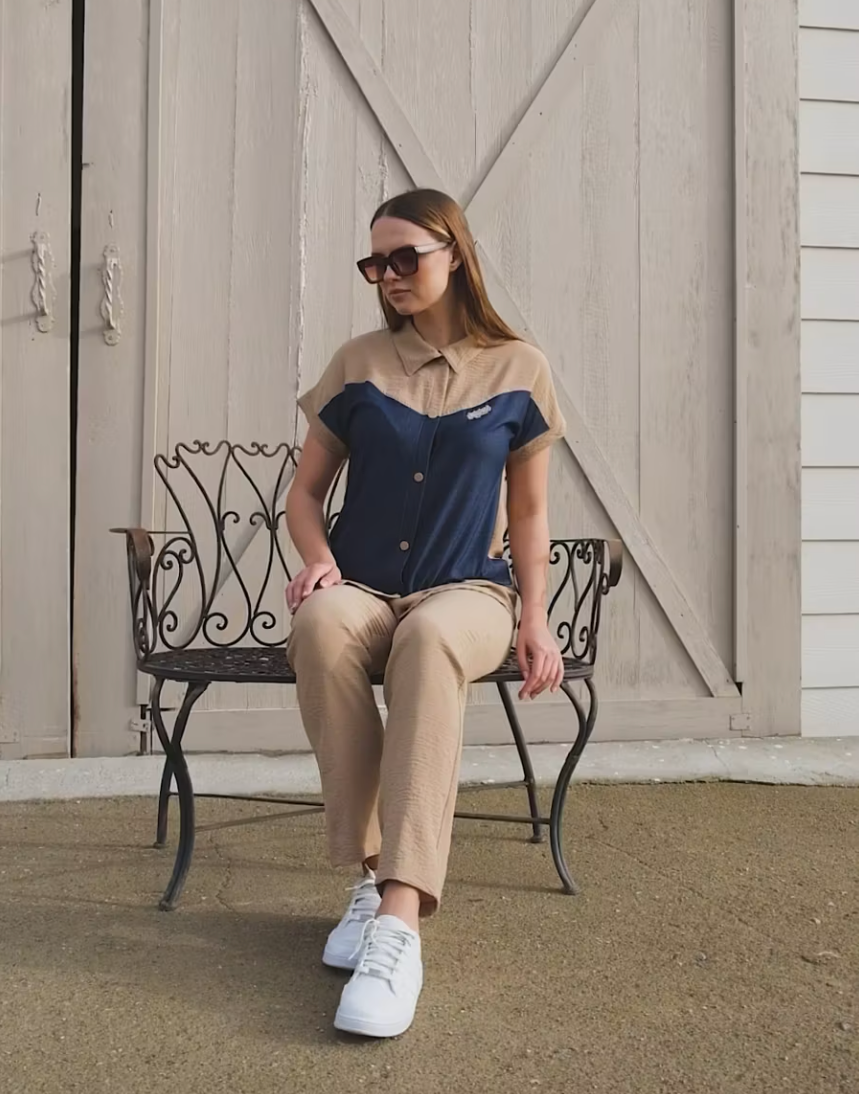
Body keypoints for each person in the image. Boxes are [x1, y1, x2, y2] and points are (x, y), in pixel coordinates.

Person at [285, 188, 566, 1039]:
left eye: (406, 257)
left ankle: (400, 922)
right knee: (319, 625)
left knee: (432, 636)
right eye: (376, 263)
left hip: (467, 592)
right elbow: (304, 494)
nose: (390, 275)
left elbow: (529, 514)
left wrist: (536, 617)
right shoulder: (359, 363)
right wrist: (320, 562)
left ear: (456, 254)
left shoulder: (519, 368)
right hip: (364, 589)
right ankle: (374, 878)